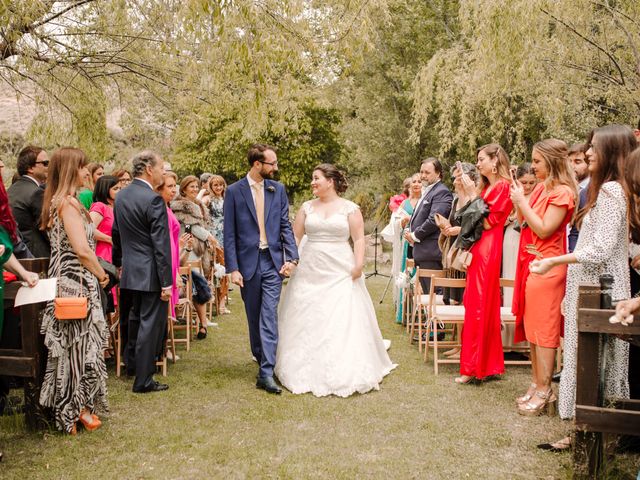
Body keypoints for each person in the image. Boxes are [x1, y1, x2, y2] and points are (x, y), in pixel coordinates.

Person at [531, 125, 636, 451]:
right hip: (589, 283)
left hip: (601, 287)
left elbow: (599, 249)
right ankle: (583, 433)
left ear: (613, 151)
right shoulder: (605, 190)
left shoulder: (611, 192)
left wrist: (553, 262)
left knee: (595, 362)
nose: (588, 152)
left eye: (595, 147)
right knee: (586, 361)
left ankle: (591, 435)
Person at [275, 164, 396, 396]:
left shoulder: (350, 209)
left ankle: (343, 361)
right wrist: (291, 261)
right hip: (310, 267)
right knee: (306, 309)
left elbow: (359, 239)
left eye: (316, 178)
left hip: (340, 267)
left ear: (330, 181)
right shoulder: (306, 208)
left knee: (341, 310)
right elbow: (295, 237)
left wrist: (358, 264)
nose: (313, 182)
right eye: (313, 178)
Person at [38, 147, 110, 434]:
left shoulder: (69, 202)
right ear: (70, 169)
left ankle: (80, 407)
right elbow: (81, 250)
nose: (86, 171)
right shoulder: (66, 204)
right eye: (82, 167)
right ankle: (73, 410)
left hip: (75, 281)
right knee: (77, 347)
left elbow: (87, 234)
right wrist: (102, 274)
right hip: (75, 282)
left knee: (80, 346)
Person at [223, 144, 299, 394]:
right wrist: (232, 268)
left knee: (268, 314)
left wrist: (293, 257)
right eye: (272, 163)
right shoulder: (234, 192)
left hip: (272, 262)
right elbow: (230, 233)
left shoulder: (277, 189)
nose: (276, 168)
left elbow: (285, 225)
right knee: (253, 315)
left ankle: (266, 371)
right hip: (247, 263)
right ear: (257, 164)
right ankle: (260, 354)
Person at [510, 139, 577, 415]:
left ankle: (546, 388)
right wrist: (520, 200)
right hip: (532, 263)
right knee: (533, 329)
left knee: (545, 331)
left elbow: (545, 229)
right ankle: (537, 383)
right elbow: (523, 222)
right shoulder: (540, 189)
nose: (533, 166)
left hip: (550, 267)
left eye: (537, 161)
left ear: (551, 160)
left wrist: (521, 201)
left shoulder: (562, 192)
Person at [112, 151, 173, 394]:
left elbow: (117, 233)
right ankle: (143, 380)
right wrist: (166, 282)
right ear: (149, 168)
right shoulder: (154, 199)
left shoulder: (121, 196)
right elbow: (161, 245)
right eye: (161, 168)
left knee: (134, 319)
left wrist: (119, 262)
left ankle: (132, 366)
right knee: (150, 323)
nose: (163, 172)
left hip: (129, 271)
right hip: (150, 273)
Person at [456, 144, 513, 384]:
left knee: (479, 305)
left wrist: (472, 196)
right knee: (477, 303)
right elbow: (466, 218)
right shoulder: (489, 187)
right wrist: (467, 194)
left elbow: (488, 223)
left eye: (481, 160)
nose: (478, 164)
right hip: (480, 247)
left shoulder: (503, 187)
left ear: (495, 160)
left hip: (488, 249)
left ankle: (473, 367)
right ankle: (486, 365)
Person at [171, 175, 217, 337]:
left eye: (196, 187)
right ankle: (199, 322)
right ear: (183, 189)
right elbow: (193, 227)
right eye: (191, 187)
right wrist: (210, 238)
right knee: (196, 283)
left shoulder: (197, 205)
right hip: (183, 248)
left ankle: (202, 323)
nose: (195, 189)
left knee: (198, 284)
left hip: (196, 249)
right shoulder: (179, 207)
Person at [403, 158, 453, 293]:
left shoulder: (441, 192)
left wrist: (415, 235)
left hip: (431, 253)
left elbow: (433, 220)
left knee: (435, 295)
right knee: (428, 295)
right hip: (422, 253)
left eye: (427, 172)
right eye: (421, 172)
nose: (423, 175)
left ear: (438, 174)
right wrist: (410, 229)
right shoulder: (428, 191)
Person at [502, 163, 536, 348]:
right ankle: (509, 338)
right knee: (511, 281)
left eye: (532, 182)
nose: (528, 186)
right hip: (513, 238)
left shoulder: (539, 195)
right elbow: (504, 218)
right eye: (524, 182)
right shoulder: (513, 194)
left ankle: (525, 341)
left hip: (532, 241)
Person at [8, 146, 50, 258]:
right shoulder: (37, 192)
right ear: (30, 168)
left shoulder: (10, 190)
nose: (49, 167)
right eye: (45, 163)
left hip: (16, 256)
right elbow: (47, 229)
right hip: (37, 258)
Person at [390, 173, 421, 323]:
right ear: (410, 186)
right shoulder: (404, 204)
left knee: (418, 276)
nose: (416, 184)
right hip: (407, 244)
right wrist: (402, 222)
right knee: (406, 275)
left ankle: (420, 311)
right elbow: (395, 224)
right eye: (413, 182)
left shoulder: (425, 201)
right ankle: (404, 313)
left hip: (421, 242)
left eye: (419, 181)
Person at [206, 174, 229, 314]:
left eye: (220, 184)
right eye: (215, 185)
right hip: (214, 236)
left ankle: (222, 303)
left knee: (225, 270)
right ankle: (212, 298)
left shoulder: (227, 199)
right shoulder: (208, 200)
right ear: (211, 186)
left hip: (226, 235)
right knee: (213, 269)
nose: (218, 187)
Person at [567, 143, 589, 253]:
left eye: (577, 161)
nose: (571, 166)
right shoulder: (567, 188)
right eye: (569, 161)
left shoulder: (593, 191)